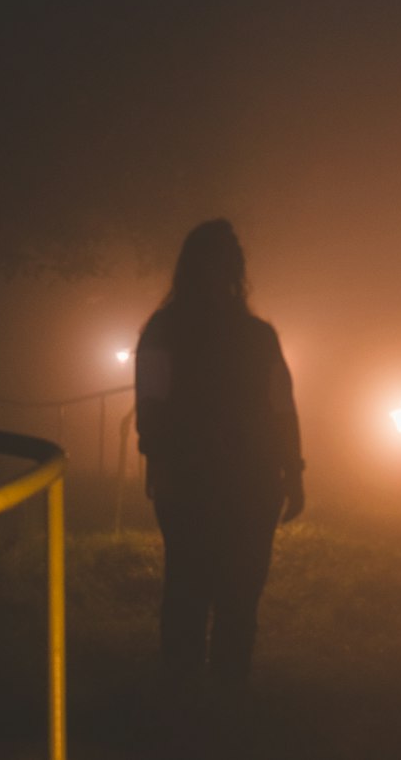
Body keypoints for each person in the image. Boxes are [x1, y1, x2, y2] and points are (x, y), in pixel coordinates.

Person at [135, 218, 304, 688]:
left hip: (208, 479)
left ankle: (190, 693)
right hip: (239, 480)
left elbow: (150, 405)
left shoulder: (164, 330)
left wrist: (158, 460)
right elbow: (282, 407)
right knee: (233, 590)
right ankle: (218, 690)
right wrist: (293, 471)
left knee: (201, 587)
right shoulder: (254, 336)